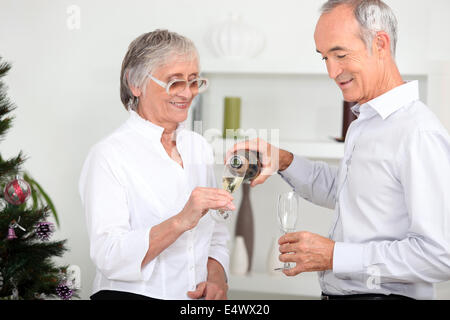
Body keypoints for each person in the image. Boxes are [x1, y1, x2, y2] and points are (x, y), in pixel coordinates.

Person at [228, 0, 450, 300]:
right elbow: (349, 192)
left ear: (380, 43)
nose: (332, 71)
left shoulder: (417, 133)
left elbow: (439, 256)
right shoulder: (366, 122)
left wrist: (335, 256)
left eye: (340, 55)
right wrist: (283, 160)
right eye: (324, 58)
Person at [79, 29, 234, 300]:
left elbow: (216, 229)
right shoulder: (108, 155)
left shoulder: (198, 147)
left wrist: (217, 277)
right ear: (135, 83)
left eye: (194, 81)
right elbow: (109, 255)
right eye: (174, 83)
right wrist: (180, 222)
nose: (187, 93)